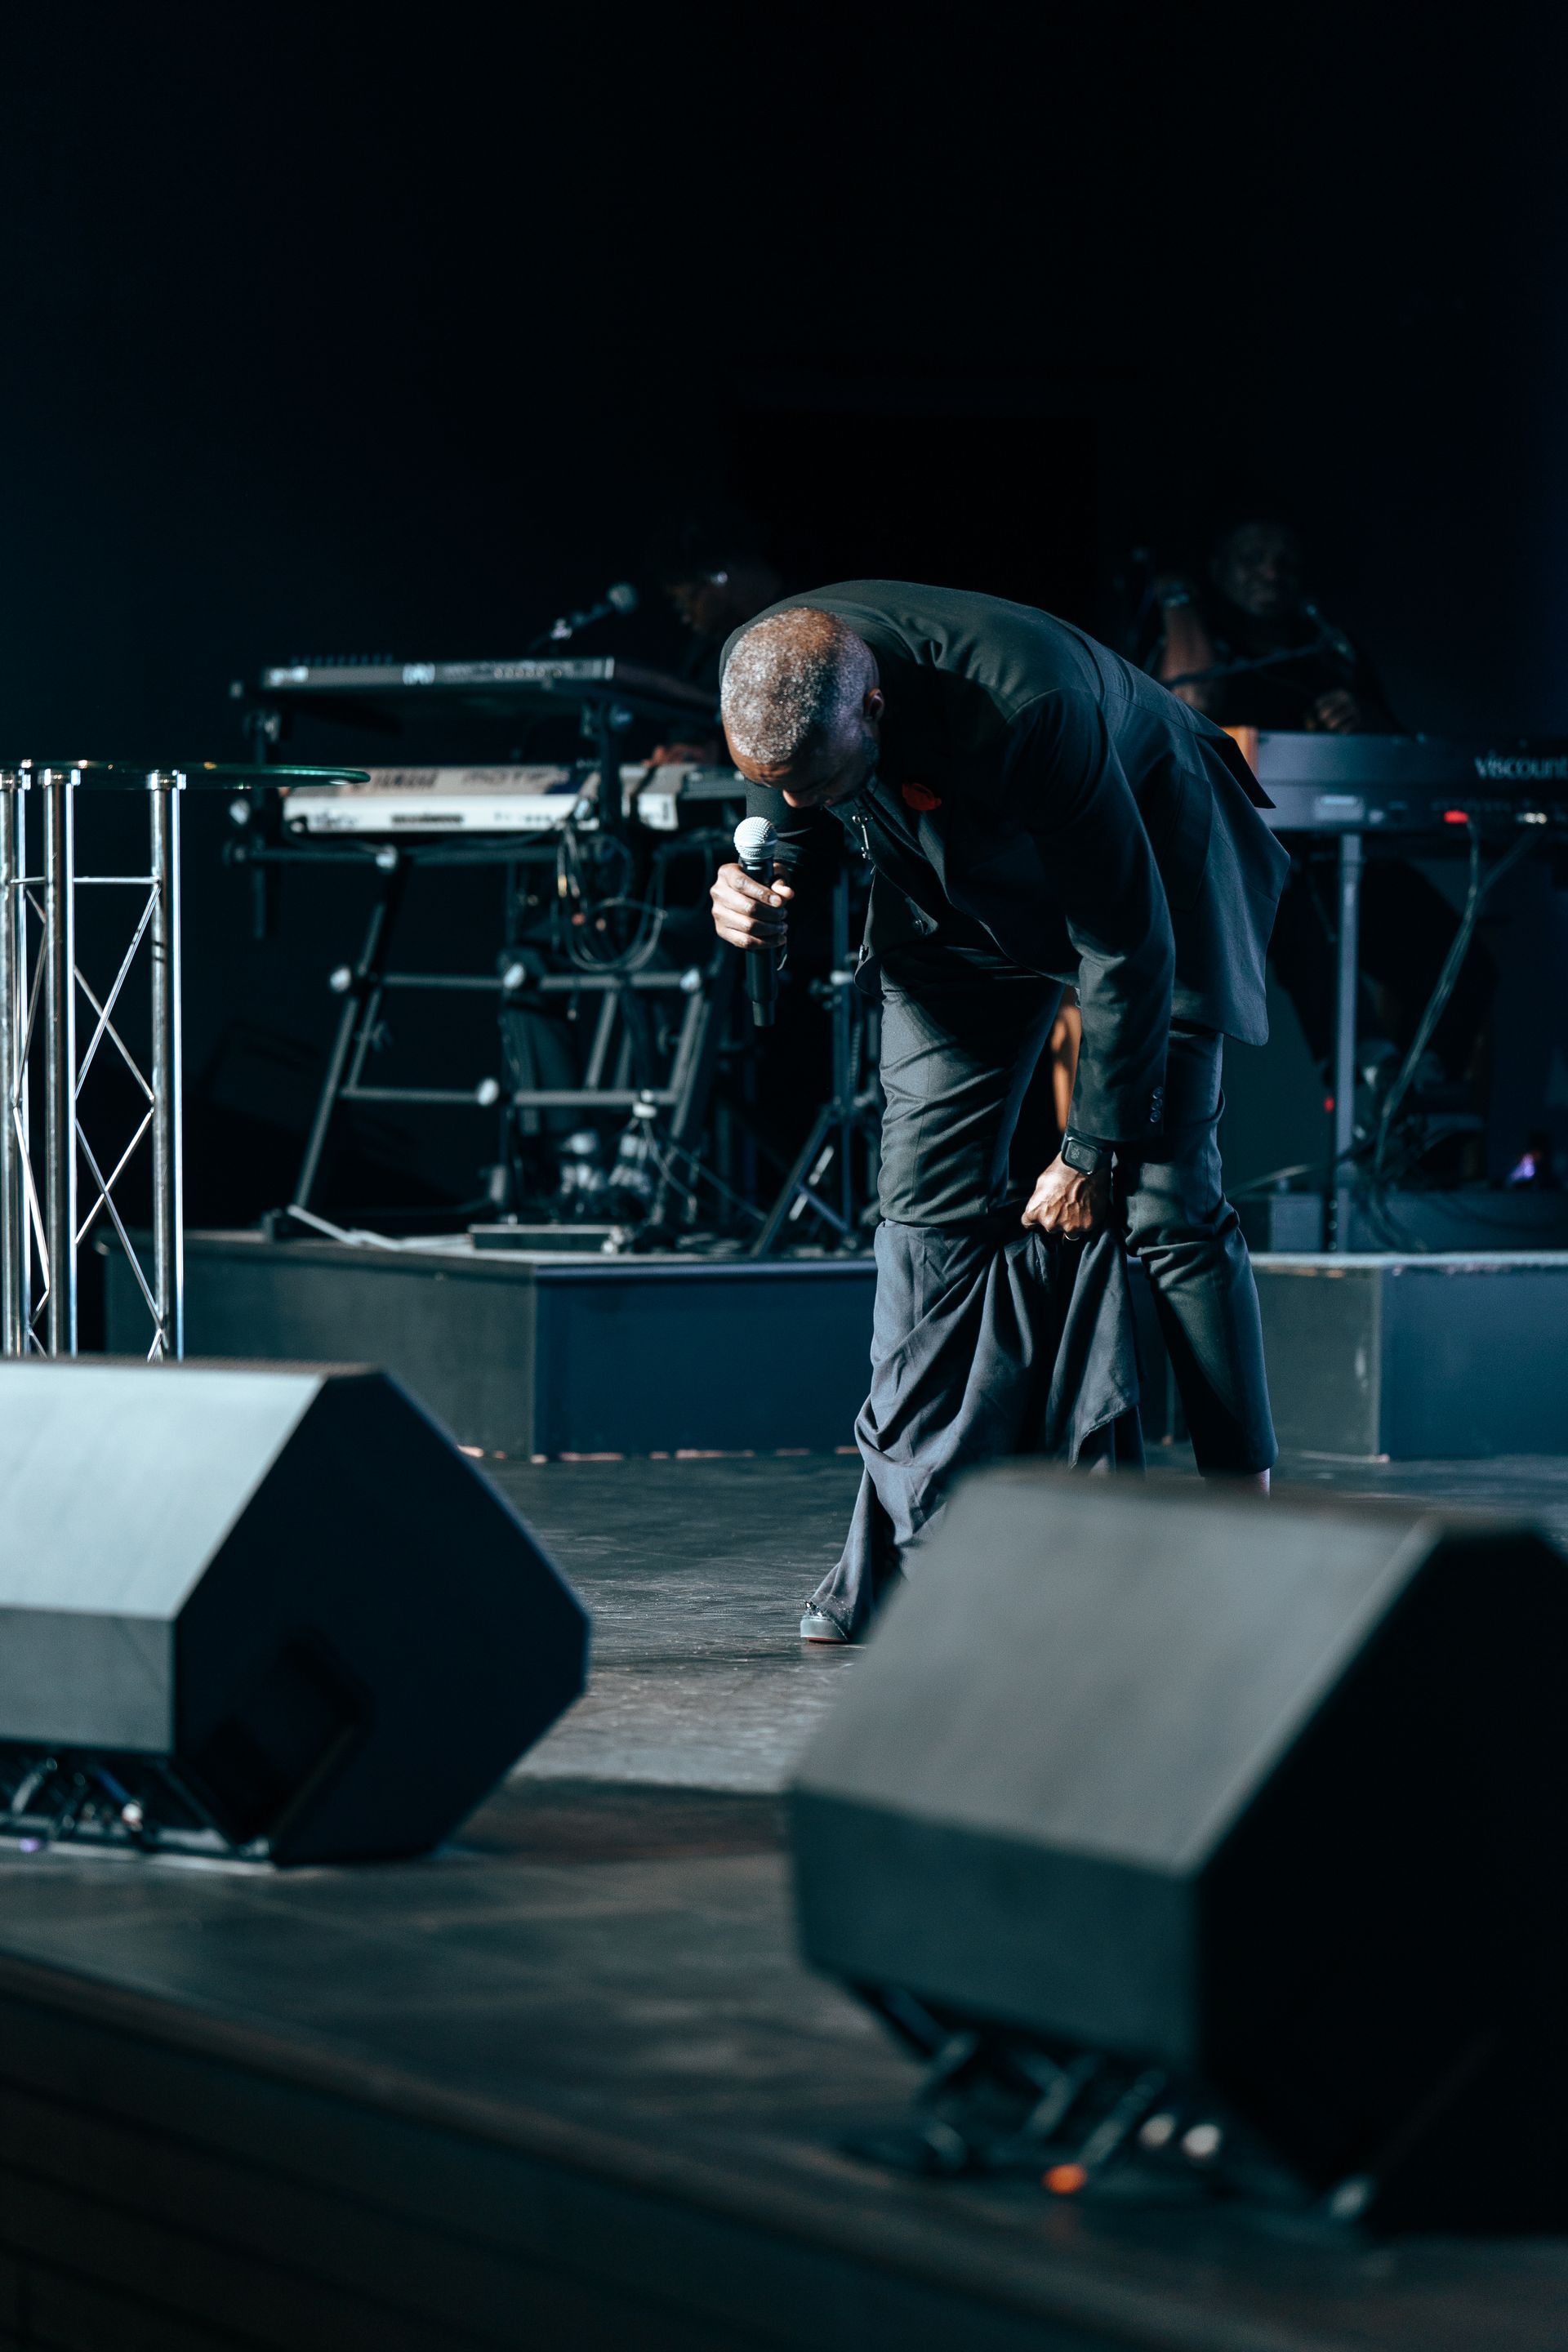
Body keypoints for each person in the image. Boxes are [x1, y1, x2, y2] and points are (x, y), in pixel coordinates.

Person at [710, 584, 1290, 1642]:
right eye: (773, 786)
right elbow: (785, 799)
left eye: (814, 784)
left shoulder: (1031, 705)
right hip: (959, 897)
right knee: (918, 1211)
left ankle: (1250, 1528)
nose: (797, 805)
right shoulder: (789, 671)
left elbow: (1127, 943)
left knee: (1166, 1205)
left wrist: (1090, 1147)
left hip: (1154, 865)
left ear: (874, 710)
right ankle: (910, 1534)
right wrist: (764, 877)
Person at [1145, 518, 1396, 734]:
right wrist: (1177, 598)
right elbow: (1190, 702)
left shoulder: (1327, 646)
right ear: (1219, 568)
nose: (1272, 574)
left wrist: (1358, 717)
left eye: (1285, 562)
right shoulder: (1200, 640)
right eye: (1252, 559)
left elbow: (1396, 736)